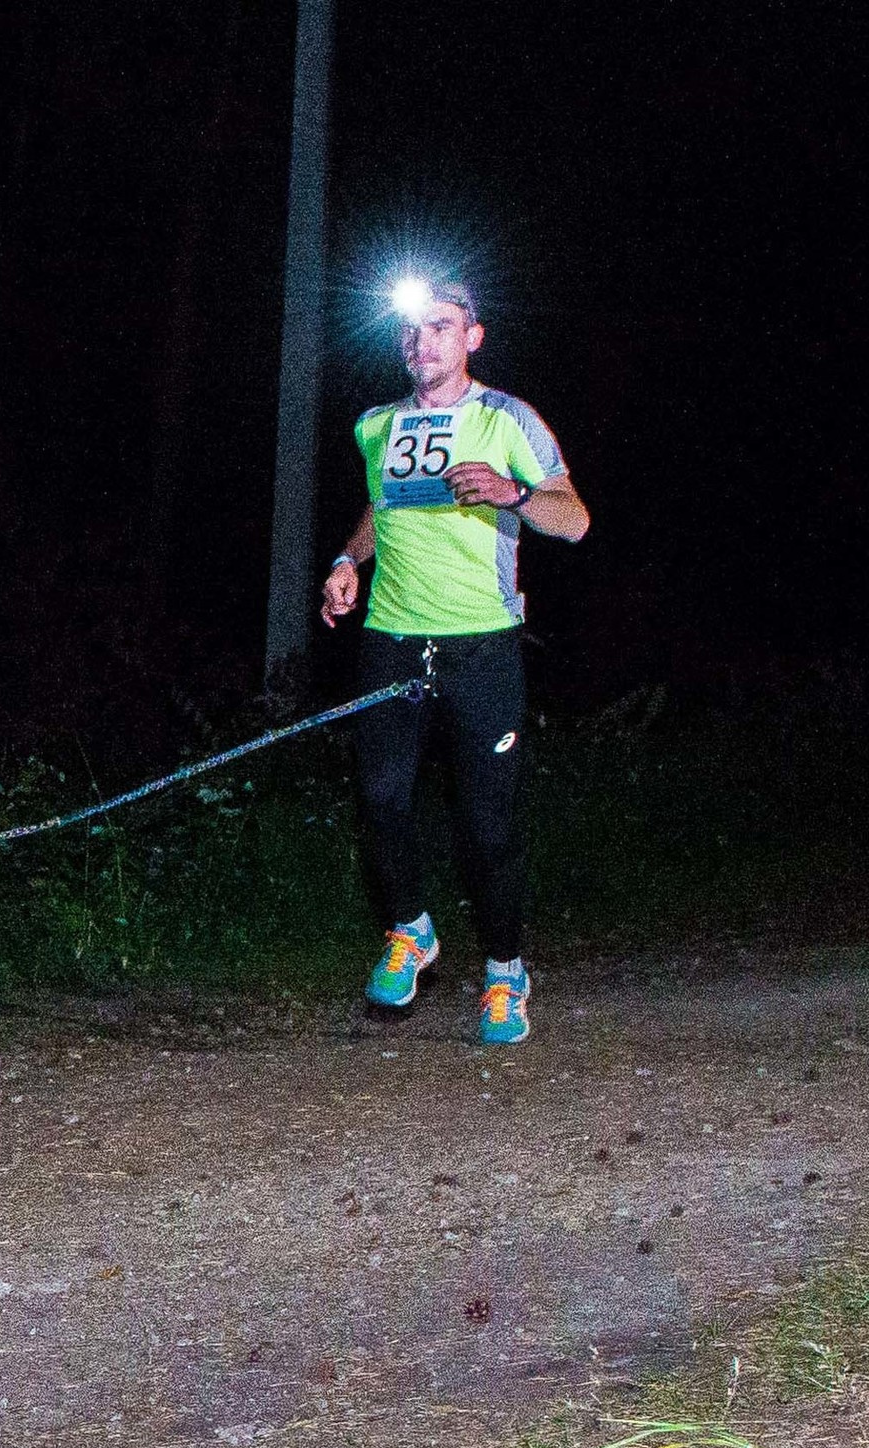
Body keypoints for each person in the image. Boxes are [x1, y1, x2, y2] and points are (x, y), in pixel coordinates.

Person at [319, 279, 589, 1044]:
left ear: (472, 337)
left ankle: (506, 974)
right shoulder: (376, 426)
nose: (421, 342)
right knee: (380, 798)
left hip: (482, 647)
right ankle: (412, 930)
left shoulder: (508, 419)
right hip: (391, 638)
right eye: (410, 331)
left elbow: (573, 518)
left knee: (487, 826)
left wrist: (512, 493)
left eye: (440, 327)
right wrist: (347, 559)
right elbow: (383, 506)